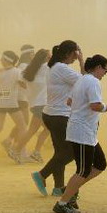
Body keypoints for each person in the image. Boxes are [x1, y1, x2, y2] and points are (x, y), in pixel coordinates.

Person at [52, 55, 107, 213]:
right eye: (105, 69)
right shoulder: (93, 81)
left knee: (100, 164)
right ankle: (62, 203)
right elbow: (95, 106)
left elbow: (69, 102)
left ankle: (71, 189)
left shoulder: (82, 79)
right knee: (83, 170)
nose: (106, 72)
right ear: (98, 67)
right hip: (81, 131)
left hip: (86, 131)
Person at [30, 40, 83, 197]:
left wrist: (78, 59)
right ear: (68, 53)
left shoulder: (54, 67)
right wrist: (81, 60)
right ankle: (42, 174)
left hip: (51, 115)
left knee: (60, 152)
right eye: (75, 54)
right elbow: (87, 81)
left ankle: (58, 187)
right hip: (60, 116)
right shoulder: (61, 68)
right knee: (71, 153)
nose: (75, 57)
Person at [11, 48, 51, 163]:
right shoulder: (47, 67)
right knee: (44, 129)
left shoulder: (32, 69)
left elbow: (21, 81)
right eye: (49, 56)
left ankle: (29, 151)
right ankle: (19, 150)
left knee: (36, 129)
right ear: (46, 58)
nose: (51, 58)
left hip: (35, 103)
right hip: (42, 104)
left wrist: (30, 91)